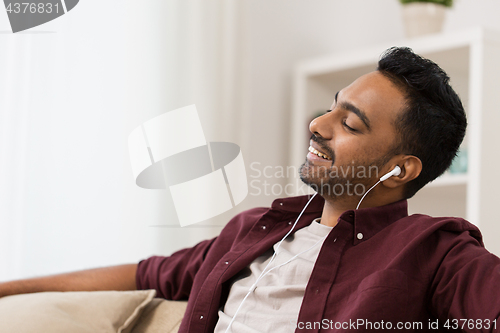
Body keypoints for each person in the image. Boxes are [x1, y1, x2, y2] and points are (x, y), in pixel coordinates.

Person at [1, 47, 499, 333]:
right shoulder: (255, 230)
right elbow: (146, 273)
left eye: (349, 123)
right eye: (330, 106)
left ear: (401, 169)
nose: (318, 125)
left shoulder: (436, 251)